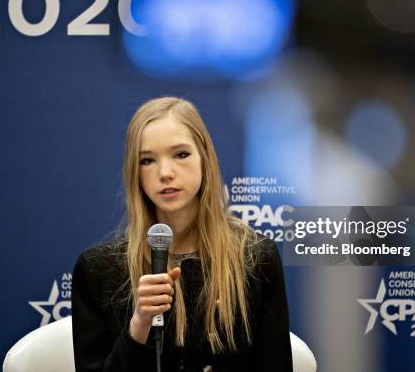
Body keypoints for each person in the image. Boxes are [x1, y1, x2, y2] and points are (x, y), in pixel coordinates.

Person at [71, 97, 292, 371]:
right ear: (135, 173)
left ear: (205, 159)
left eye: (181, 154)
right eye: (148, 160)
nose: (165, 172)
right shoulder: (98, 270)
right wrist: (139, 326)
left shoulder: (255, 258)